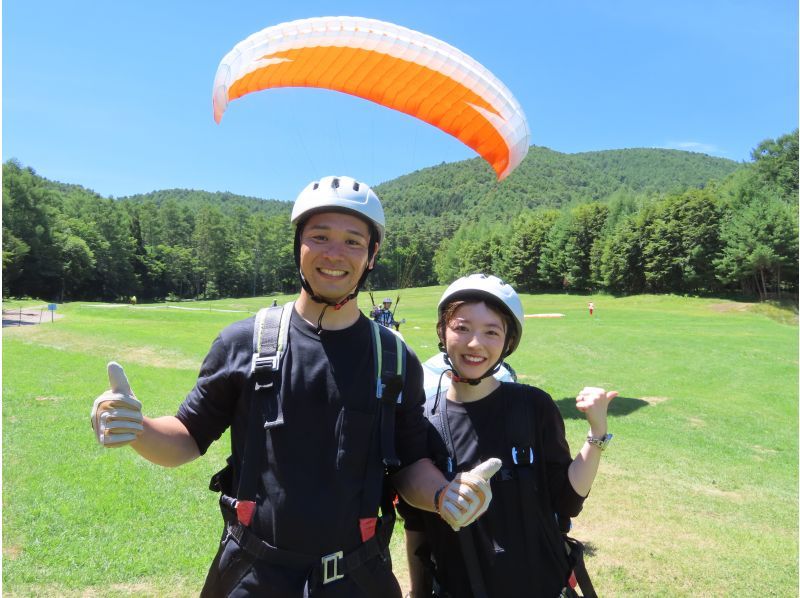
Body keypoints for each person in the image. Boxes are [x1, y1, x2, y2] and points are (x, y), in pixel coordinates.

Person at [90, 176, 498, 597]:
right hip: (253, 575)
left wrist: (443, 495)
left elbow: (411, 465)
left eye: (354, 241)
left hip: (357, 579)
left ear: (372, 255)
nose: (335, 253)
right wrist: (138, 429)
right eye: (319, 236)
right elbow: (186, 438)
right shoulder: (243, 342)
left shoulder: (393, 358)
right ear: (298, 245)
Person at [400, 274, 617, 598]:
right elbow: (417, 526)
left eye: (491, 332)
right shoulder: (425, 422)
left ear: (507, 342)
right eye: (462, 328)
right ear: (442, 333)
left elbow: (567, 500)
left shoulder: (532, 406)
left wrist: (596, 432)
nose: (475, 343)